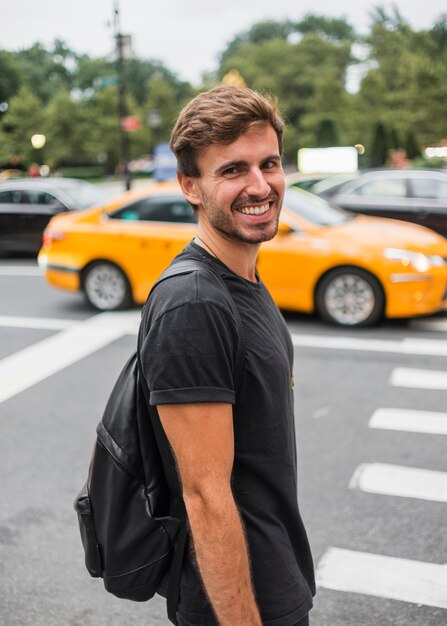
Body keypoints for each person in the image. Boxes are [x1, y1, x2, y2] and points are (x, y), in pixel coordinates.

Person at [139, 85, 315, 626]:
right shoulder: (194, 304)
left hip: (274, 571)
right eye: (233, 170)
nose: (261, 186)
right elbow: (204, 495)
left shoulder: (243, 276)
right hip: (239, 602)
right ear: (190, 186)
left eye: (270, 163)